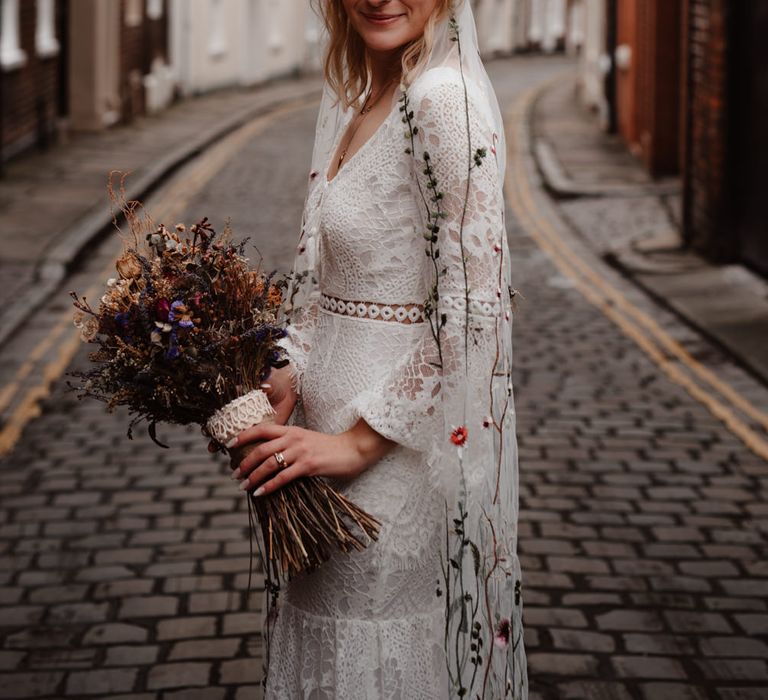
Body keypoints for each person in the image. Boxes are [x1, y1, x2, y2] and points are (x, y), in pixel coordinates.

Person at [217, 1, 527, 696]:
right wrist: (289, 366)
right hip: (318, 440)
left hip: (385, 468)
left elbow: (474, 308)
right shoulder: (369, 97)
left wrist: (358, 444)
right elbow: (340, 285)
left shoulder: (443, 99)